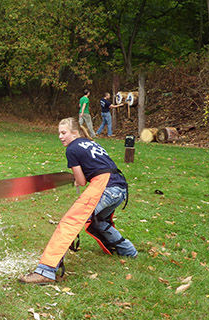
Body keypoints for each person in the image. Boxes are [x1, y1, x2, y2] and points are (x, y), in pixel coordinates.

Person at [19, 117, 137, 284]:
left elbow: (81, 181)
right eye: (59, 133)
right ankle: (129, 251)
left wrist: (76, 178)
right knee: (97, 222)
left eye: (63, 132)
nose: (60, 136)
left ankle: (46, 270)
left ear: (74, 133)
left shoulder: (71, 149)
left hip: (106, 187)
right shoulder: (89, 142)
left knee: (70, 222)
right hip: (120, 187)